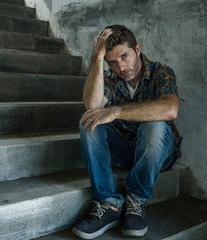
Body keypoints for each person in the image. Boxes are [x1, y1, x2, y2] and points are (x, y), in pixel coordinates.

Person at [73, 24, 182, 239]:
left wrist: (117, 111)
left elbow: (170, 109)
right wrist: (97, 57)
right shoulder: (113, 81)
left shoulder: (161, 72)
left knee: (155, 123)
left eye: (125, 56)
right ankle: (108, 203)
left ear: (138, 49)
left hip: (158, 152)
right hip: (124, 152)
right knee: (90, 121)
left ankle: (136, 200)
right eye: (112, 62)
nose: (121, 67)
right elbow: (92, 105)